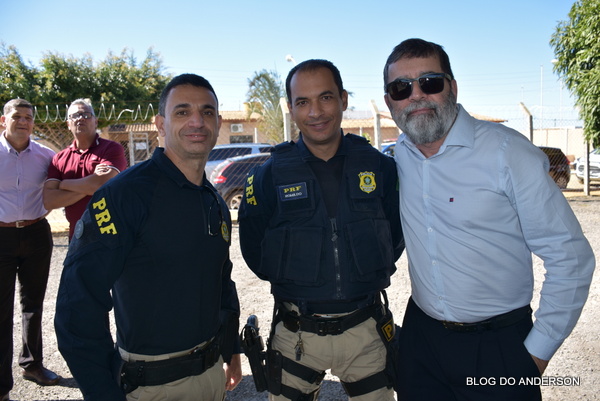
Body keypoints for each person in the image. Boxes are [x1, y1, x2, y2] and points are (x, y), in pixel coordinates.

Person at [383, 38, 596, 401]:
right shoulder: (397, 157)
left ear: (452, 87)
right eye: (401, 88)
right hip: (421, 342)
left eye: (430, 82)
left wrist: (534, 355)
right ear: (390, 103)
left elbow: (571, 257)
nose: (416, 95)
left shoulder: (507, 152)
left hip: (498, 345)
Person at [54, 74, 242, 401]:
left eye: (207, 112)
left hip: (212, 377)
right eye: (182, 112)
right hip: (150, 387)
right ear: (160, 124)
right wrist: (104, 392)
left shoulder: (213, 200)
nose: (197, 121)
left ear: (218, 122)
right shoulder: (125, 195)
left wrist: (232, 349)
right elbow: (77, 304)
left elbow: (221, 280)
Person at [239, 59, 404, 401]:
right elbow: (254, 250)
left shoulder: (380, 168)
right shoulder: (268, 176)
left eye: (326, 97)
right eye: (303, 102)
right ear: (290, 108)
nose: (315, 111)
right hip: (296, 333)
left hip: (366, 330)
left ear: (343, 99)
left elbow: (396, 236)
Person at [0, 99, 61, 401]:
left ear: (33, 123)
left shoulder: (46, 156)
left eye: (28, 117)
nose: (22, 122)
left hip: (37, 234)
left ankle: (33, 365)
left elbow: (59, 187)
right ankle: (1, 386)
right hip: (1, 235)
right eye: (16, 116)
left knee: (33, 306)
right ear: (3, 121)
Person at [43, 98, 127, 240]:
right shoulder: (59, 159)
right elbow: (49, 201)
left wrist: (64, 184)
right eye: (75, 116)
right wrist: (90, 185)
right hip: (77, 236)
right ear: (68, 124)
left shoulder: (111, 149)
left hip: (111, 235)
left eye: (86, 115)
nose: (81, 118)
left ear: (96, 122)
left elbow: (101, 184)